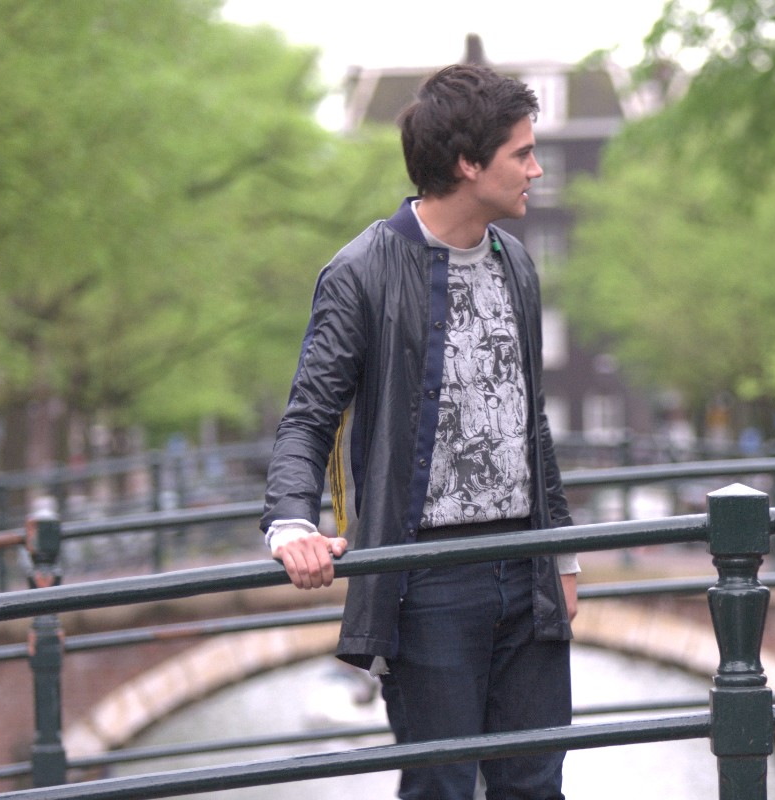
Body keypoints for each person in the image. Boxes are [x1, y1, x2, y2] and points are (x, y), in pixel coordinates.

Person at [260, 62, 579, 800]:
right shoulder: (360, 272)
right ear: (469, 163)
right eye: (523, 154)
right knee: (440, 788)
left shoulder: (517, 263)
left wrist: (562, 559)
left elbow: (530, 423)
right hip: (426, 581)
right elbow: (308, 416)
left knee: (536, 786)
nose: (536, 170)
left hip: (527, 565)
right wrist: (290, 523)